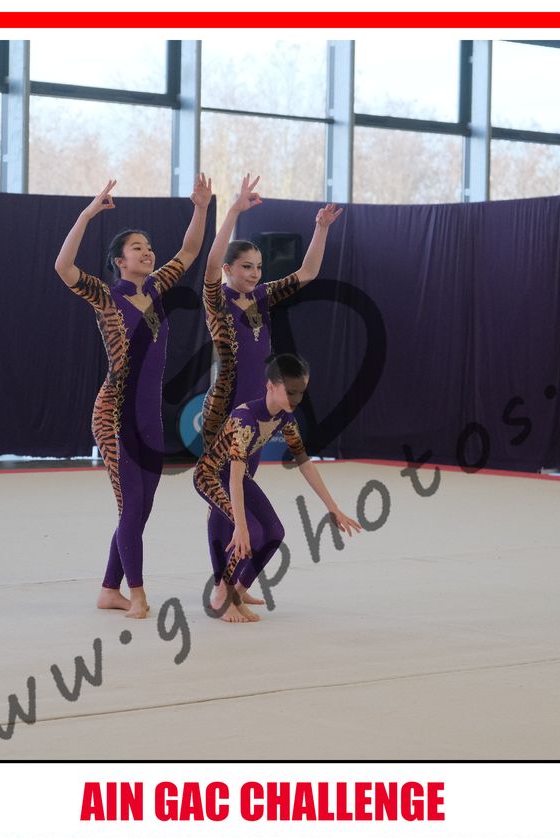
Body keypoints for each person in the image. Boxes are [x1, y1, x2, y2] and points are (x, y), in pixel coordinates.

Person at [54, 175, 211, 619]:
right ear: (119, 261)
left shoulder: (156, 288)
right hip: (114, 414)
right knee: (131, 506)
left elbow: (190, 251)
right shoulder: (106, 297)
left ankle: (110, 589)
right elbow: (64, 267)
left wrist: (201, 208)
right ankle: (137, 593)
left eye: (149, 247)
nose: (147, 252)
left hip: (149, 417)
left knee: (142, 509)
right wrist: (88, 214)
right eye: (137, 248)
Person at [193, 353, 361, 623]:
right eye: (290, 392)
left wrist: (333, 508)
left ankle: (238, 591)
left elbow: (305, 464)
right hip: (210, 475)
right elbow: (234, 478)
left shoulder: (285, 419)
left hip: (237, 476)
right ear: (270, 386)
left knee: (274, 532)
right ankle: (221, 595)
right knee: (250, 532)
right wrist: (240, 524)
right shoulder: (245, 419)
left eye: (301, 393)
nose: (296, 399)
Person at [201, 174, 342, 451]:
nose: (255, 273)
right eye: (246, 267)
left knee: (247, 472)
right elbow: (212, 264)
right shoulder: (217, 300)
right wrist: (234, 211)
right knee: (221, 474)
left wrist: (321, 228)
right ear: (228, 269)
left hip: (258, 399)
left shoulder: (262, 295)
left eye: (258, 267)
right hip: (224, 402)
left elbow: (308, 272)